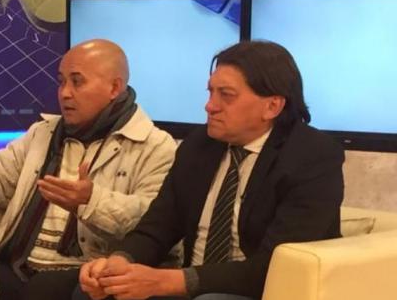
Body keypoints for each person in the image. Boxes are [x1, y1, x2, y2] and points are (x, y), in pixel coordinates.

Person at [77, 40, 344, 300]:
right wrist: (120, 262)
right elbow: (157, 227)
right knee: (95, 292)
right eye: (210, 92)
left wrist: (167, 281)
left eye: (226, 95)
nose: (210, 106)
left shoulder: (312, 156)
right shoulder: (200, 145)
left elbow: (275, 265)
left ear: (272, 106)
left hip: (263, 289)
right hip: (193, 285)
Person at [0, 39, 178, 300]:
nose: (65, 93)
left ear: (114, 88)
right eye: (62, 82)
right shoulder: (44, 133)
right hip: (20, 265)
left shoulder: (154, 146)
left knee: (45, 290)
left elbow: (155, 224)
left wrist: (91, 201)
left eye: (77, 82)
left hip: (88, 271)